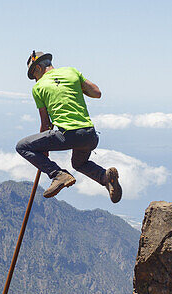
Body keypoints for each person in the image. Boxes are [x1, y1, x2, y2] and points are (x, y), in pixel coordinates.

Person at [16, 51, 122, 201]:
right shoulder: (71, 72)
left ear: (38, 68)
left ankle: (58, 175)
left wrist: (42, 149)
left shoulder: (38, 87)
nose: (35, 79)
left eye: (34, 75)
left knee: (22, 146)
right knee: (79, 163)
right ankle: (105, 177)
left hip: (69, 135)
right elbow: (96, 92)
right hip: (90, 135)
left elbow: (46, 124)